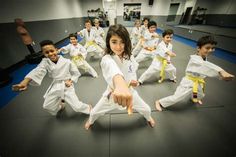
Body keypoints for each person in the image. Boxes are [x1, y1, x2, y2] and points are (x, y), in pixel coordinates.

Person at [85, 24, 155, 130]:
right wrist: (120, 84)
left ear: (126, 42)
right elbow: (113, 70)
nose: (118, 47)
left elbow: (133, 69)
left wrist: (133, 81)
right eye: (114, 42)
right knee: (94, 112)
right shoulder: (107, 59)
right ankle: (90, 121)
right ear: (108, 42)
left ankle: (149, 118)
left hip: (130, 92)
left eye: (122, 42)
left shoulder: (129, 56)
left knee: (147, 109)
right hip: (112, 93)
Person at [12, 40, 91, 116]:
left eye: (52, 51)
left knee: (77, 107)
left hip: (67, 84)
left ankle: (88, 108)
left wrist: (71, 81)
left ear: (56, 50)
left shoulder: (67, 61)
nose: (50, 54)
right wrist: (24, 82)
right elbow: (37, 71)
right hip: (55, 85)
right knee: (47, 105)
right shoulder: (45, 62)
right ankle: (61, 106)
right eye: (46, 52)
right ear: (43, 53)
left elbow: (76, 73)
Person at [155, 36, 234, 111]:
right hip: (188, 82)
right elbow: (207, 66)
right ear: (198, 48)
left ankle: (194, 98)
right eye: (207, 48)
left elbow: (206, 69)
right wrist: (221, 71)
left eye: (212, 48)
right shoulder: (194, 59)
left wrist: (221, 77)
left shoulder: (203, 57)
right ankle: (160, 102)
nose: (210, 50)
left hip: (198, 81)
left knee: (200, 94)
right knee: (177, 97)